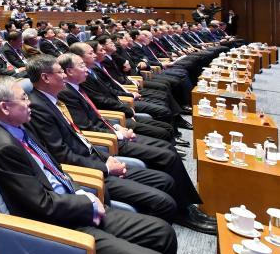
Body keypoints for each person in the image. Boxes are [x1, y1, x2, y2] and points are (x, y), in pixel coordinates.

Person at [0, 77, 184, 254]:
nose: (29, 102)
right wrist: (87, 204)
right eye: (23, 98)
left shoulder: (18, 124)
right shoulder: (3, 147)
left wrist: (82, 193)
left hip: (74, 203)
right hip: (62, 226)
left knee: (163, 232)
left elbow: (54, 168)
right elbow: (41, 205)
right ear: (5, 107)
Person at [57, 53, 216, 234]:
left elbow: (94, 117)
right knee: (167, 154)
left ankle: (186, 207)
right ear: (68, 71)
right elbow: (85, 128)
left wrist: (115, 126)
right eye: (82, 64)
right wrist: (116, 133)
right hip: (107, 143)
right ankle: (183, 211)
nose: (87, 65)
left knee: (166, 147)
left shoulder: (75, 87)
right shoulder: (65, 95)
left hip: (109, 131)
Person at [24, 55, 179, 221]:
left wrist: (107, 158)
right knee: (164, 198)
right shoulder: (37, 107)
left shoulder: (52, 100)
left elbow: (79, 137)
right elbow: (62, 154)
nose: (64, 76)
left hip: (97, 156)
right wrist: (105, 167)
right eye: (60, 72)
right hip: (89, 172)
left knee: (165, 180)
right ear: (46, 77)